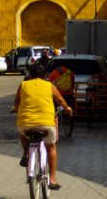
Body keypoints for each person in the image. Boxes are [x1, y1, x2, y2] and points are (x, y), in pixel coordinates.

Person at [11, 62, 72, 190]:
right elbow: (60, 101)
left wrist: (15, 109)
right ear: (45, 75)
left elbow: (16, 103)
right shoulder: (49, 86)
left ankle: (26, 152)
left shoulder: (23, 85)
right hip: (46, 124)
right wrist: (67, 109)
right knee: (51, 147)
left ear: (30, 74)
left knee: (23, 134)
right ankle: (53, 179)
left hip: (25, 124)